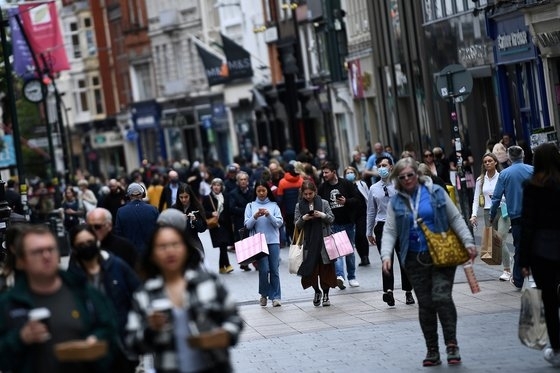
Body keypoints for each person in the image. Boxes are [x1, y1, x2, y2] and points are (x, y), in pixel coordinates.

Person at [380, 158, 476, 367]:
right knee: (425, 304)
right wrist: (386, 255)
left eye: (410, 175)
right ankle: (432, 349)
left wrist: (468, 242)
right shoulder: (396, 201)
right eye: (402, 176)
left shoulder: (435, 193)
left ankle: (451, 343)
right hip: (414, 259)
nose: (406, 179)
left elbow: (455, 218)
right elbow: (389, 230)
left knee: (441, 297)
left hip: (441, 255)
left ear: (417, 174)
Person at [125, 225, 244, 373]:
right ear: (153, 254)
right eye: (162, 247)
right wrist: (150, 329)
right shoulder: (145, 294)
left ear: (186, 249)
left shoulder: (207, 282)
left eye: (175, 244)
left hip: (214, 366)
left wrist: (224, 334)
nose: (170, 251)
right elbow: (131, 343)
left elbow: (235, 318)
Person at [0, 225, 117, 372]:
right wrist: (20, 338)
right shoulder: (9, 304)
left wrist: (95, 341)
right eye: (37, 252)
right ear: (22, 260)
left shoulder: (83, 291)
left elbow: (110, 330)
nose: (46, 256)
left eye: (51, 249)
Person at [67, 224, 141, 372]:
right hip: (89, 346)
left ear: (96, 241)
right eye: (81, 244)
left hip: (120, 342)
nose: (86, 247)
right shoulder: (72, 277)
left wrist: (133, 328)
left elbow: (139, 294)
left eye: (89, 242)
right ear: (74, 248)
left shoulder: (116, 266)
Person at [519, 143, 560, 367]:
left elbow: (528, 224)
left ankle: (556, 347)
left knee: (550, 301)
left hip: (542, 249)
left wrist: (524, 260)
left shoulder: (533, 186)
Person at [367, 156, 414, 307]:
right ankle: (388, 291)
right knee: (386, 260)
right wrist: (369, 231)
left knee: (404, 260)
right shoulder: (373, 188)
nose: (382, 168)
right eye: (379, 165)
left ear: (391, 167)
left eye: (384, 165)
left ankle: (408, 291)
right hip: (382, 226)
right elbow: (371, 211)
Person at [490, 145, 533, 289]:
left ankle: (518, 278)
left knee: (519, 247)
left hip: (516, 217)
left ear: (508, 157)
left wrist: (492, 215)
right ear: (523, 155)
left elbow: (496, 198)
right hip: (533, 215)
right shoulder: (531, 170)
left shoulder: (505, 174)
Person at [317, 161, 360, 289]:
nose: (324, 175)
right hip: (332, 223)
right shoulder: (323, 188)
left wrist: (346, 201)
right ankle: (340, 276)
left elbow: (357, 200)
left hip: (347, 222)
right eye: (323, 172)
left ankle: (352, 276)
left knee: (349, 251)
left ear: (333, 172)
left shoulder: (346, 184)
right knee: (337, 251)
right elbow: (319, 202)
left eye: (326, 172)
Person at [469, 152, 511, 281]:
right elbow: (476, 199)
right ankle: (506, 258)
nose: (487, 163)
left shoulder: (502, 177)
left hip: (502, 211)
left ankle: (507, 270)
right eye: (485, 161)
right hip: (488, 212)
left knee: (501, 239)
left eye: (490, 161)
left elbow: (508, 194)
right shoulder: (480, 180)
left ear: (496, 162)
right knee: (493, 242)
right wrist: (474, 215)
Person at [294, 181, 336, 306]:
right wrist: (304, 218)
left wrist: (322, 215)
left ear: (315, 191)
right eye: (305, 194)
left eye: (310, 193)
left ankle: (326, 295)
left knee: (325, 270)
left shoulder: (323, 203)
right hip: (308, 243)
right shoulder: (299, 206)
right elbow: (296, 224)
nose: (308, 196)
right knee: (311, 271)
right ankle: (317, 291)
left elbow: (332, 219)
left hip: (324, 242)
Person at [244, 180, 284, 307]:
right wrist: (255, 216)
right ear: (255, 191)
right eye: (259, 191)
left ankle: (276, 296)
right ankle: (264, 294)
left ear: (268, 191)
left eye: (264, 190)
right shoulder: (250, 206)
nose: (261, 193)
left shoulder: (274, 205)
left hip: (273, 241)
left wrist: (268, 215)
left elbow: (279, 223)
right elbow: (247, 225)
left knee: (274, 270)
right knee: (263, 270)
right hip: (258, 243)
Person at [115, 183, 159, 258]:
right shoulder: (153, 209)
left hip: (130, 254)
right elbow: (159, 231)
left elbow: (118, 234)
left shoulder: (121, 211)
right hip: (150, 253)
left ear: (128, 195)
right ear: (143, 194)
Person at [203, 178, 234, 274]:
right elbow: (203, 212)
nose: (216, 187)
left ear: (221, 187)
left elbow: (229, 210)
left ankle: (221, 267)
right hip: (216, 225)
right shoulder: (208, 198)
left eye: (218, 185)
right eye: (214, 185)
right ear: (211, 186)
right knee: (222, 244)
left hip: (225, 224)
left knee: (223, 245)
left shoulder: (225, 196)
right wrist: (211, 213)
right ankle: (228, 265)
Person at [343, 166, 370, 266]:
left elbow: (368, 197)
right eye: (347, 173)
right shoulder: (345, 186)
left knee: (361, 234)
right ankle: (362, 257)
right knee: (355, 237)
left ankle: (365, 256)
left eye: (351, 172)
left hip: (362, 213)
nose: (350, 175)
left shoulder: (362, 184)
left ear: (355, 173)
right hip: (350, 214)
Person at [171, 183, 207, 256]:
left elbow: (202, 229)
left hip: (193, 240)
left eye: (186, 197)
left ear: (190, 196)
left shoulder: (197, 207)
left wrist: (194, 220)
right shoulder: (174, 208)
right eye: (181, 197)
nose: (184, 200)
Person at [229, 171, 254, 271]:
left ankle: (256, 262)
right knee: (242, 242)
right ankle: (244, 263)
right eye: (241, 180)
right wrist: (246, 210)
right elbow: (232, 208)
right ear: (238, 182)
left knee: (253, 239)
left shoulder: (252, 191)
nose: (243, 181)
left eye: (245, 179)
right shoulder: (233, 193)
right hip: (239, 221)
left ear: (247, 181)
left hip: (252, 219)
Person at [277, 163, 304, 246]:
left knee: (290, 227)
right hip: (300, 209)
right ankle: (301, 241)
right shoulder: (301, 180)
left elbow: (279, 199)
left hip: (288, 210)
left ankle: (293, 241)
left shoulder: (282, 182)